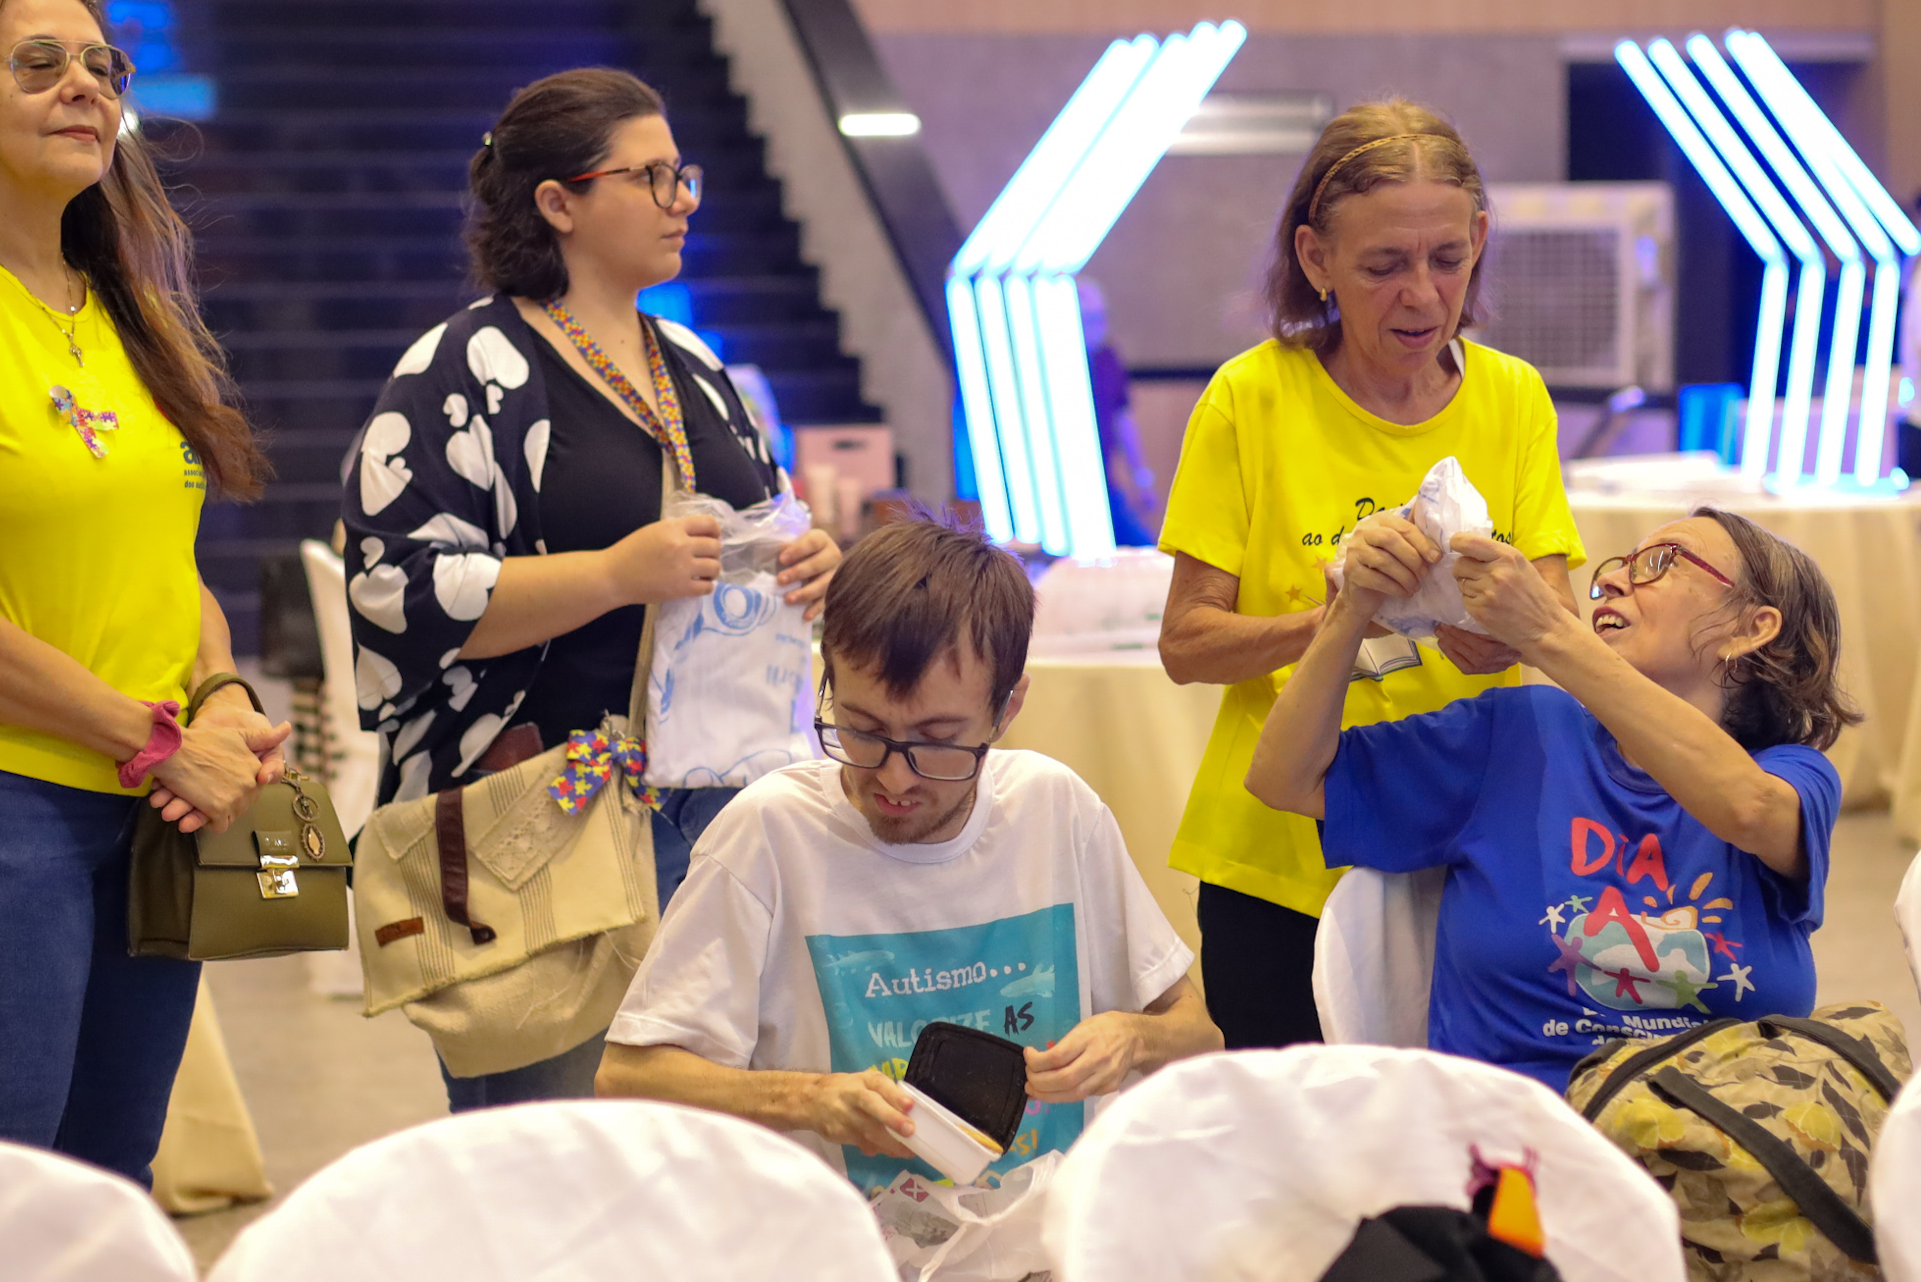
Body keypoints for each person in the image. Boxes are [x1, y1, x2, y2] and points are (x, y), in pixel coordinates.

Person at [341, 67, 841, 1112]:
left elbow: (763, 523)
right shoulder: (463, 367)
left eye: (683, 174)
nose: (682, 200)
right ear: (556, 203)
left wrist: (809, 562)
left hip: (718, 805)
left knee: (704, 1145)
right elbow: (395, 589)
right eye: (651, 177)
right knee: (556, 1151)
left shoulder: (695, 363)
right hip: (549, 814)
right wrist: (615, 575)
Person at [0, 0, 284, 1184]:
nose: (83, 89)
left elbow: (171, 566)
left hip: (150, 808)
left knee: (108, 1179)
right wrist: (155, 739)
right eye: (38, 64)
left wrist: (220, 695)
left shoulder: (119, 306)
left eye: (102, 66)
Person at [597, 520, 1221, 1194]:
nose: (895, 779)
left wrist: (1131, 1037)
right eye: (863, 731)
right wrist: (809, 1100)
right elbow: (628, 1077)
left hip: (1038, 1241)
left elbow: (1196, 1032)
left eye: (938, 740)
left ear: (1007, 708)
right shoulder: (769, 833)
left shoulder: (1054, 810)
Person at [1156, 100, 1586, 1049]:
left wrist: (1499, 626)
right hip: (1281, 856)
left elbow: (1559, 623)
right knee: (1293, 1158)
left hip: (1466, 845)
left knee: (1460, 1152)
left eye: (1447, 259)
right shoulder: (1251, 398)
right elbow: (1186, 646)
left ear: (1480, 239)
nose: (1423, 297)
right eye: (1384, 266)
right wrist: (1340, 616)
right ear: (1316, 260)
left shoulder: (1513, 398)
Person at [1247, 508, 1854, 1088]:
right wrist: (1350, 612)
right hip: (1515, 1149)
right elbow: (1286, 778)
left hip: (1718, 1156)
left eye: (1661, 562)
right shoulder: (1520, 734)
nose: (1611, 579)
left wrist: (1546, 631)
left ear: (1753, 629)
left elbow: (1747, 809)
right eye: (1619, 563)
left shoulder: (1791, 777)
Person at [1077, 279, 1158, 547]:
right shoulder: (1050, 361)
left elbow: (1123, 421)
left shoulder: (1107, 357)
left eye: (1101, 317)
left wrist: (1141, 477)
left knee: (1145, 550)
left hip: (1104, 484)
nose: (1098, 327)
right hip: (1066, 488)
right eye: (1088, 319)